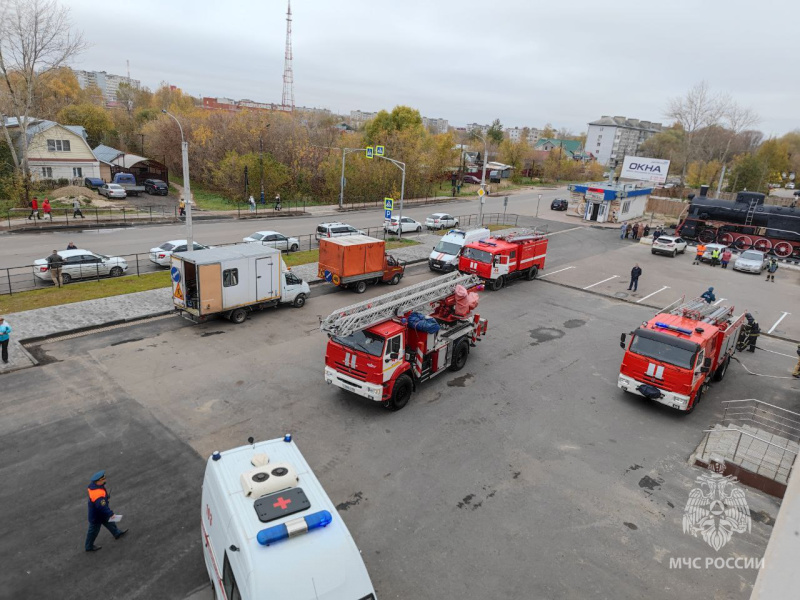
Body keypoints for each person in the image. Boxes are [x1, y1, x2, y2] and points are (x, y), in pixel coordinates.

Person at [85, 470, 128, 552]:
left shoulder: (94, 486)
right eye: (103, 478)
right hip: (97, 516)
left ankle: (117, 533)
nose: (105, 479)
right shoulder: (98, 495)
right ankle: (89, 546)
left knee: (110, 523)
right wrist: (110, 513)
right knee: (93, 531)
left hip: (100, 514)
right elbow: (102, 507)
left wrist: (105, 497)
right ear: (98, 481)